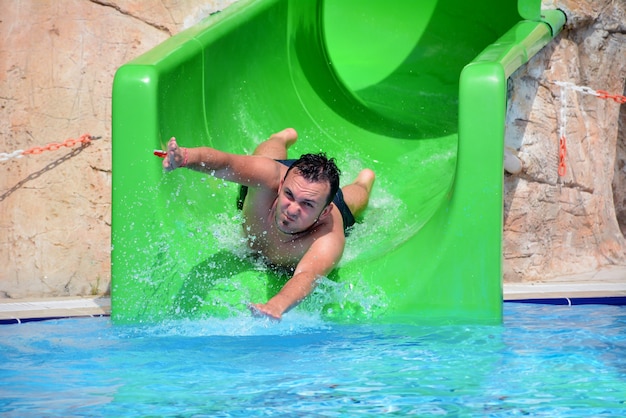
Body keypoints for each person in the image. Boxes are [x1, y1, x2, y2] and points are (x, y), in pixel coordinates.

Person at [163, 128, 375, 320]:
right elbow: (226, 163)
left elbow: (307, 276)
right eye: (289, 196)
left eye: (306, 205)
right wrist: (185, 157)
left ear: (324, 211)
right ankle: (281, 138)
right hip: (283, 177)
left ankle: (363, 181)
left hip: (326, 199)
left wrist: (276, 305)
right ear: (281, 185)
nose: (292, 209)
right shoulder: (270, 178)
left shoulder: (328, 237)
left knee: (354, 200)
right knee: (266, 156)